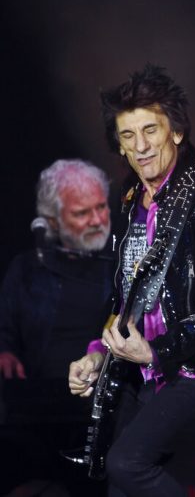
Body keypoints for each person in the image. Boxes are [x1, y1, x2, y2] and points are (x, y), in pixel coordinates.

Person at [67, 65, 195, 496]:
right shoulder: (131, 203)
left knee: (129, 463)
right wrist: (95, 354)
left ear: (176, 133)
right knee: (116, 481)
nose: (141, 145)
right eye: (128, 136)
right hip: (139, 367)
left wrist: (156, 351)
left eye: (151, 130)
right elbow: (121, 297)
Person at [0, 158, 113, 496]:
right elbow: (4, 328)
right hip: (34, 409)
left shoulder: (121, 265)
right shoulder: (28, 268)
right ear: (52, 221)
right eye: (82, 213)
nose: (97, 220)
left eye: (102, 207)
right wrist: (4, 352)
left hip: (97, 411)